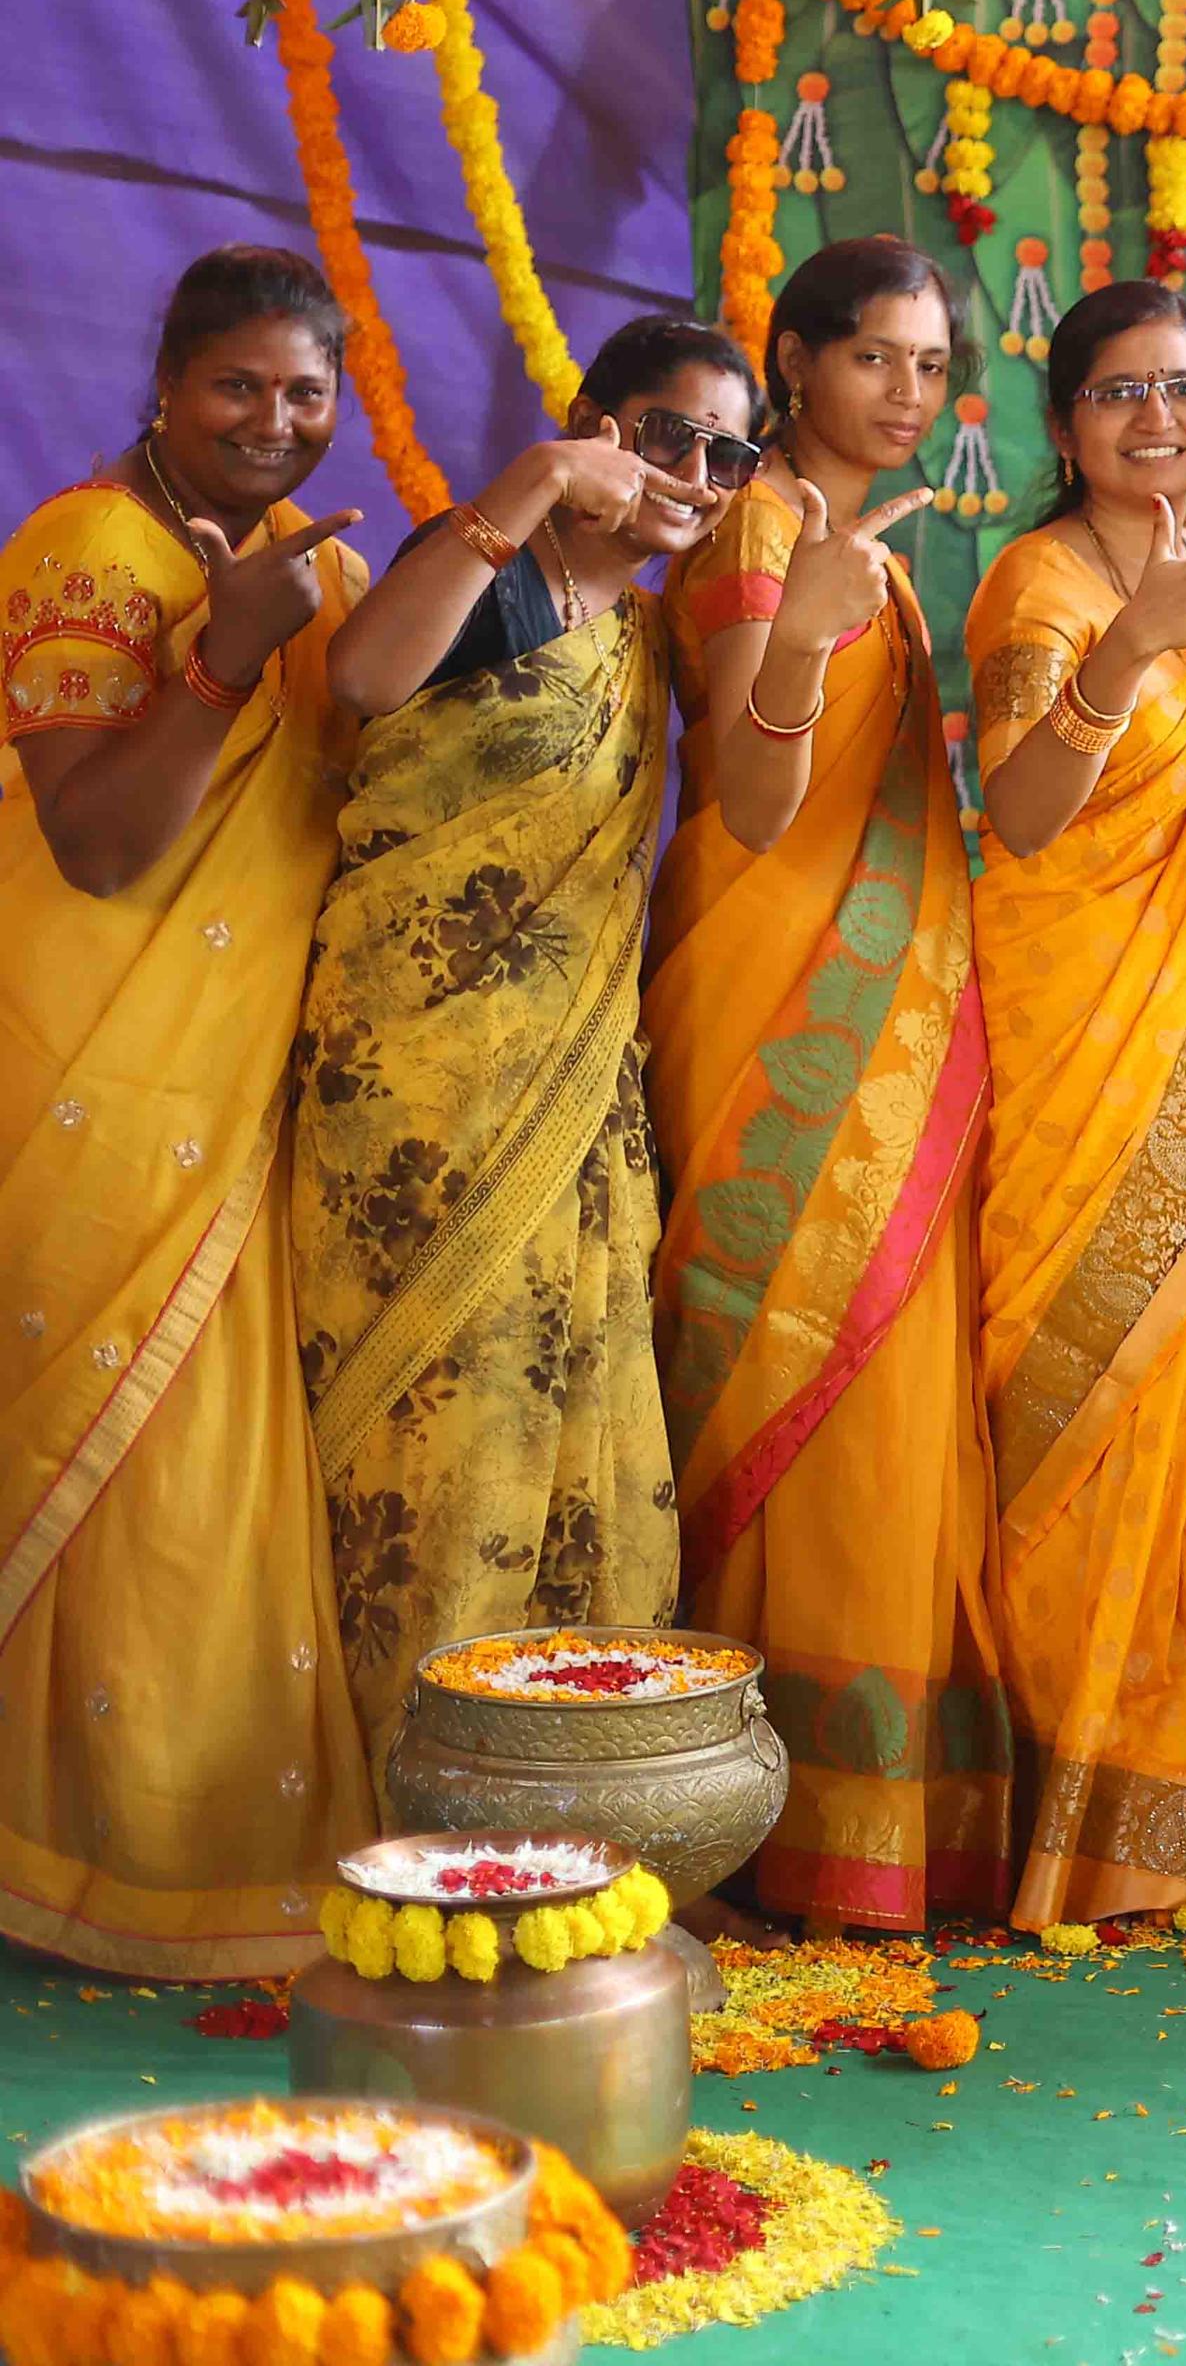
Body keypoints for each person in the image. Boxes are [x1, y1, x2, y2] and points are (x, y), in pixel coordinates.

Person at [293, 317, 756, 1767]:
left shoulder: (656, 628)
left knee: (573, 1422)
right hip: (409, 1093)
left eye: (724, 453)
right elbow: (363, 681)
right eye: (661, 434)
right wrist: (528, 489)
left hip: (573, 1093)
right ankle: (404, 1798)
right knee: (427, 1446)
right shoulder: (485, 564)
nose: (691, 472)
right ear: (593, 424)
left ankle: (565, 1795)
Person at [0, 246, 376, 1973]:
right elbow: (96, 840)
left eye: (308, 393)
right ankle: (82, 1870)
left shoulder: (310, 572)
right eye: (240, 386)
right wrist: (224, 658)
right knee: (132, 1461)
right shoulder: (89, 552)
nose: (275, 422)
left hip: (228, 1085)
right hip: (93, 1072)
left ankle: (175, 1865)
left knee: (208, 1485)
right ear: (164, 385)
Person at [657, 235, 1007, 1933]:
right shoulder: (755, 527)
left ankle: (876, 1833)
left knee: (887, 1399)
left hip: (895, 1016)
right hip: (773, 1000)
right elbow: (750, 798)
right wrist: (801, 626)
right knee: (786, 1386)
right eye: (878, 356)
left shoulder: (862, 547)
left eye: (935, 364)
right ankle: (762, 1825)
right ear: (792, 363)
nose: (912, 390)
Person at [964, 282, 1186, 1931]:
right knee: (1061, 1387)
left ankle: (1174, 1813)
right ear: (1063, 424)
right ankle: (1050, 1790)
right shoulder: (1039, 583)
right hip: (1064, 1043)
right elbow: (1019, 815)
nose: (1153, 421)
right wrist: (1131, 649)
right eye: (1116, 396)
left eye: (1182, 389)